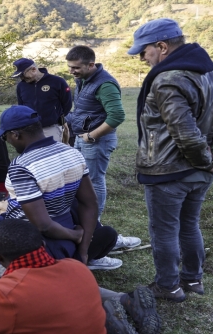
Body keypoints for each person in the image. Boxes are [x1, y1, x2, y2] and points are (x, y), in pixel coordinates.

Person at [128, 18, 213, 301]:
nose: (142, 58)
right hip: (199, 174)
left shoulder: (168, 79)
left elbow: (186, 134)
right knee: (189, 225)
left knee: (165, 230)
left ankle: (168, 287)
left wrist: (211, 159)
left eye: (143, 51)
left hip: (168, 172)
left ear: (162, 46)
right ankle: (192, 281)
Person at [0, 105, 121, 270]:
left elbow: (43, 226)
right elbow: (89, 203)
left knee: (2, 235)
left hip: (41, 241)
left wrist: (76, 235)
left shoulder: (21, 166)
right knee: (101, 229)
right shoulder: (72, 153)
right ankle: (77, 259)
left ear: (15, 135)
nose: (8, 142)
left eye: (5, 137)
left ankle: (55, 265)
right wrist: (83, 251)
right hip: (66, 224)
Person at [65, 45, 142, 251]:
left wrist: (91, 136)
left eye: (76, 68)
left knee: (94, 181)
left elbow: (117, 116)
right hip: (82, 137)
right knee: (81, 180)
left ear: (91, 65)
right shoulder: (83, 80)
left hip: (96, 141)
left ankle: (93, 224)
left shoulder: (105, 84)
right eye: (70, 67)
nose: (72, 71)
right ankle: (85, 219)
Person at [11, 58, 72, 142]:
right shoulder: (21, 86)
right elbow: (21, 107)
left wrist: (55, 117)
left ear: (33, 69)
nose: (22, 78)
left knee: (52, 154)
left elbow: (67, 104)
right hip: (29, 130)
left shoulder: (57, 81)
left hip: (51, 128)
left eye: (23, 75)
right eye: (19, 76)